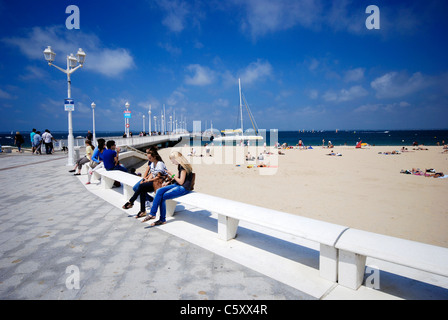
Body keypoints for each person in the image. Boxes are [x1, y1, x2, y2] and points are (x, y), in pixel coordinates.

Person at [142, 151, 194, 226]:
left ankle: (161, 218)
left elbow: (181, 182)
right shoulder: (181, 165)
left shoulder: (183, 167)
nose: (172, 162)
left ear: (177, 159)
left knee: (162, 197)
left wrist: (171, 174)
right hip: (178, 185)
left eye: (172, 160)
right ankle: (153, 214)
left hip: (183, 188)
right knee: (159, 191)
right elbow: (178, 176)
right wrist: (168, 181)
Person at [122, 148, 167, 218]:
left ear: (154, 157)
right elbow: (152, 174)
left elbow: (159, 177)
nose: (149, 159)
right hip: (154, 182)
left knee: (142, 187)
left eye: (150, 158)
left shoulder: (160, 164)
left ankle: (132, 202)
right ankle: (142, 210)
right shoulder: (152, 163)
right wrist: (145, 180)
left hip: (160, 183)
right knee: (142, 188)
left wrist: (148, 181)